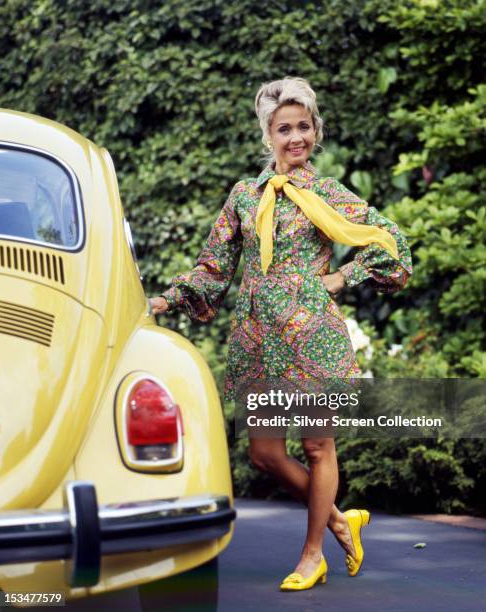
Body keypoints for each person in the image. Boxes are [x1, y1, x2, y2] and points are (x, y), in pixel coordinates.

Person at [150, 76, 412, 591]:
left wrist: (342, 276)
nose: (296, 137)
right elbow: (213, 266)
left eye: (304, 126)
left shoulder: (328, 192)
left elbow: (389, 241)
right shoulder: (245, 196)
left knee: (317, 446)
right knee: (264, 454)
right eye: (284, 128)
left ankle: (313, 554)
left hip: (311, 335)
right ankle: (340, 519)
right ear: (267, 135)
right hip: (257, 338)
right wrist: (166, 298)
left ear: (316, 131)